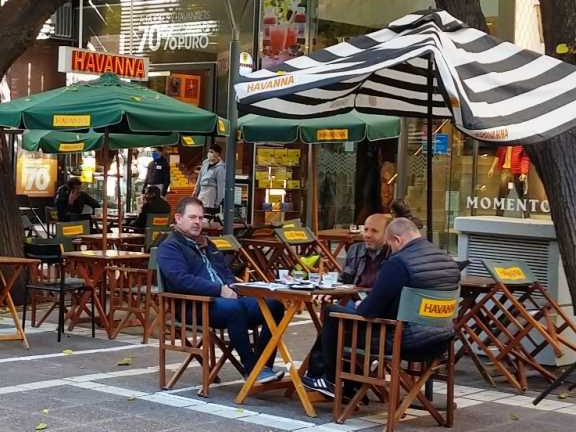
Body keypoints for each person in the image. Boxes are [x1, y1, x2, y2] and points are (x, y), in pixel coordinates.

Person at [302, 218, 460, 397]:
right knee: (346, 320)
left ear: (397, 240)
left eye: (390, 244)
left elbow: (369, 311)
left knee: (333, 314)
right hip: (441, 340)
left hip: (404, 341)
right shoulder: (448, 261)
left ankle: (328, 379)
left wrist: (362, 304)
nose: (391, 250)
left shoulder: (399, 262)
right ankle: (341, 383)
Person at [156, 197, 286, 383]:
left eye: (201, 218)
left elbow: (226, 273)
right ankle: (251, 369)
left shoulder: (208, 244)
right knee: (234, 310)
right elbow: (181, 281)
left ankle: (263, 365)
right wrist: (219, 290)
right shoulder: (169, 247)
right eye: (192, 217)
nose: (197, 222)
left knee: (274, 306)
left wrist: (233, 286)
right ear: (178, 218)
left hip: (226, 299)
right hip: (193, 305)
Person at [339, 213, 391, 289]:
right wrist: (330, 292)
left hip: (377, 299)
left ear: (387, 234)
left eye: (374, 231)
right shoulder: (355, 249)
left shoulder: (393, 254)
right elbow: (343, 280)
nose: (367, 235)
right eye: (366, 230)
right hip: (352, 297)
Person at [193, 144, 226, 210]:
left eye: (212, 152)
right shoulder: (205, 163)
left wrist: (218, 202)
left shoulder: (220, 168)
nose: (209, 153)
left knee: (206, 216)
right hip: (201, 193)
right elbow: (199, 179)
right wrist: (195, 191)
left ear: (217, 154)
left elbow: (221, 186)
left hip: (210, 195)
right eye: (209, 151)